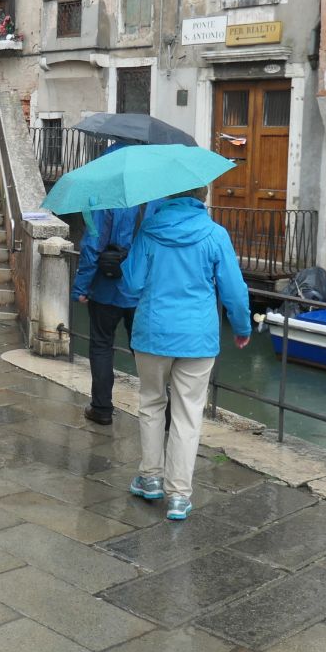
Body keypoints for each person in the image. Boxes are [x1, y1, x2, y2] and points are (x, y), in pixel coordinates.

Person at [116, 189, 252, 520]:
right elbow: (234, 291)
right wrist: (241, 327)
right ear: (202, 197)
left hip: (152, 333)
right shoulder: (215, 234)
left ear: (168, 195)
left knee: (151, 403)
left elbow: (131, 285)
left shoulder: (149, 231)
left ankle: (150, 477)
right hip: (197, 338)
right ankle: (178, 495)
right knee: (188, 413)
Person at [72, 197, 152, 426]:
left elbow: (93, 246)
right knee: (147, 352)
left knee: (101, 346)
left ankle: (101, 408)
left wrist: (81, 287)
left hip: (106, 289)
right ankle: (162, 412)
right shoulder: (155, 200)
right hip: (141, 290)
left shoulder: (105, 200)